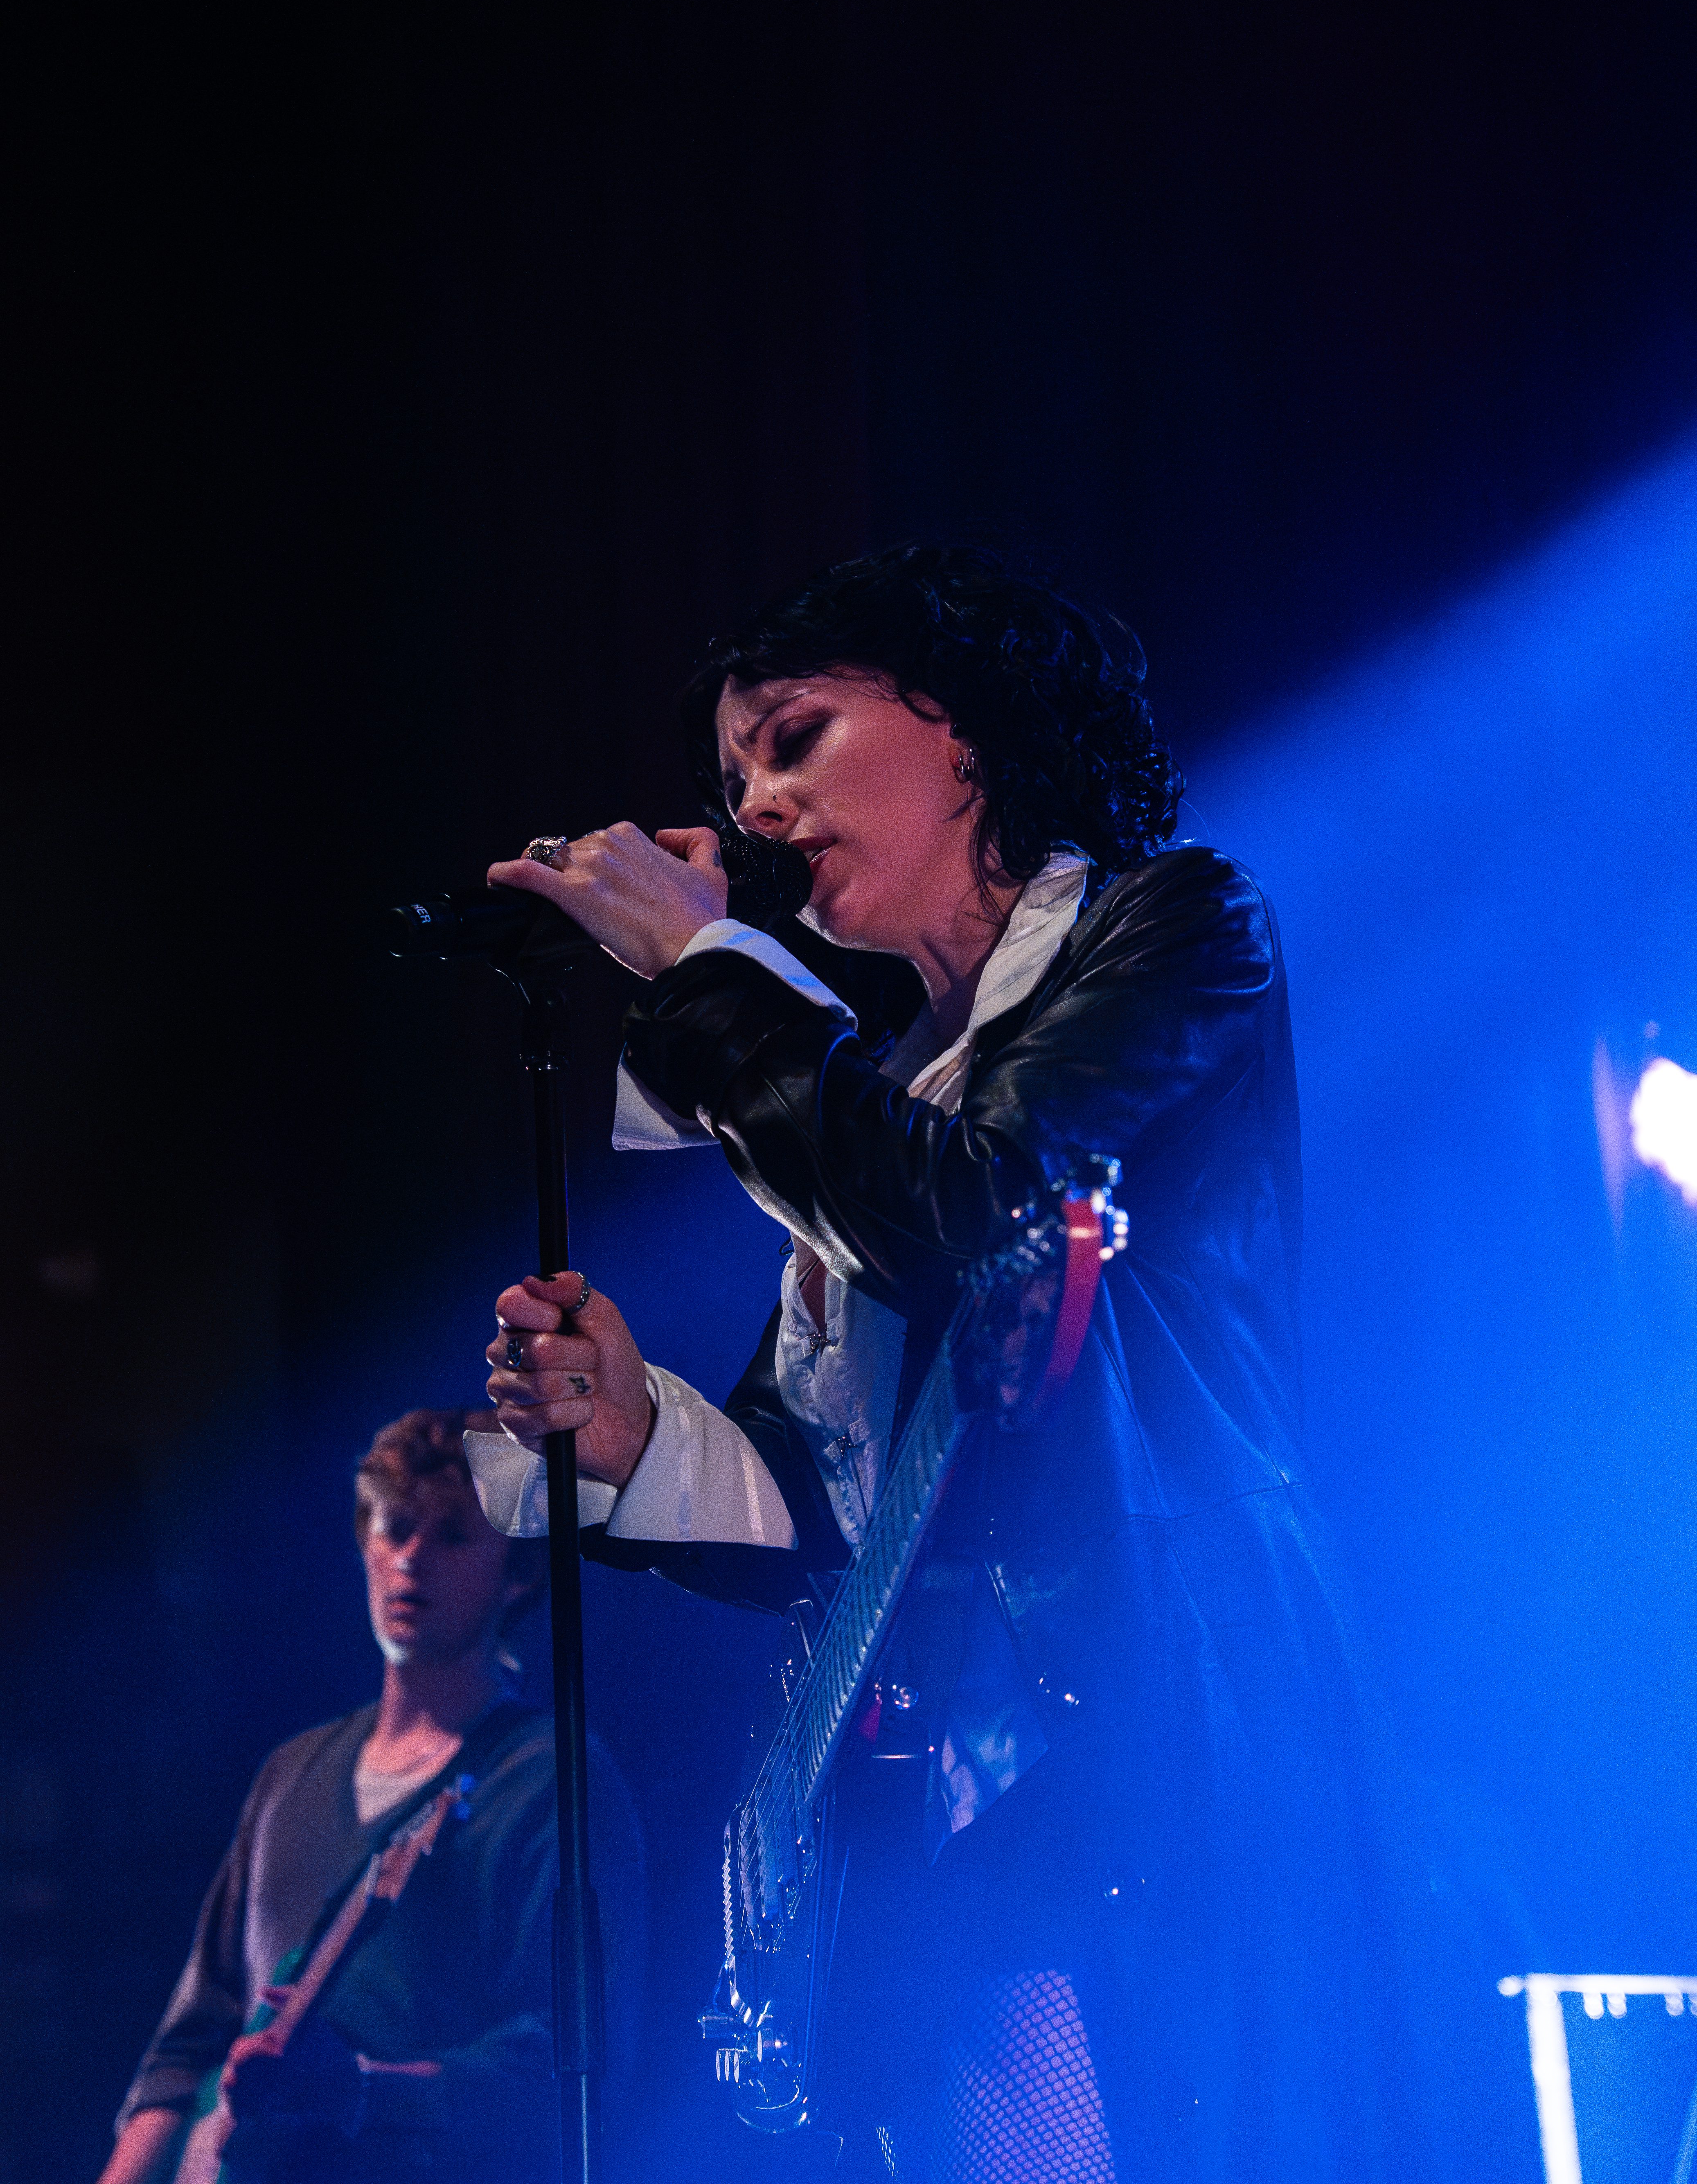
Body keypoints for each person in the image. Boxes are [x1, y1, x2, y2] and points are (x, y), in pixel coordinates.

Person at [468, 545, 1415, 2182]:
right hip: (940, 1789)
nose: (755, 804)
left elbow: (978, 1207)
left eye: (792, 736)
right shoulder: (889, 1087)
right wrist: (633, 1435)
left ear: (960, 726)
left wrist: (708, 985)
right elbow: (837, 1506)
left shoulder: (1174, 925)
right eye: (731, 774)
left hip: (1156, 1712)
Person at [101, 1406, 642, 2184]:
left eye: (453, 1535)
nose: (411, 1558)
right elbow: (192, 2045)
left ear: (519, 1574)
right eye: (394, 1528)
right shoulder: (290, 1773)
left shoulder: (553, 1782)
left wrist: (357, 2090)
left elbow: (572, 2069)